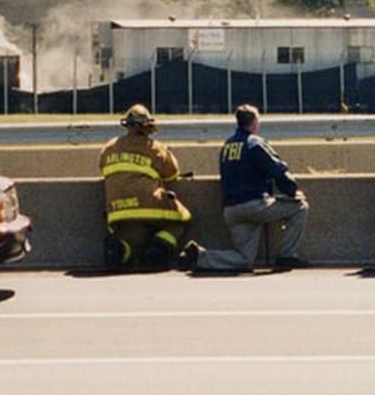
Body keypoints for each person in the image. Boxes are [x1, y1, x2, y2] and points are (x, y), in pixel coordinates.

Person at [181, 104, 310, 273]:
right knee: (300, 207)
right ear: (255, 122)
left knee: (244, 260)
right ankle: (286, 256)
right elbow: (277, 170)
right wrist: (292, 191)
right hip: (255, 205)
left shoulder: (227, 146)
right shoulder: (254, 143)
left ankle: (200, 256)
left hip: (231, 211)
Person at [100, 103, 192, 270]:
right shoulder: (155, 148)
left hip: (116, 211)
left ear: (126, 125)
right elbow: (172, 174)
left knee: (130, 234)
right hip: (149, 205)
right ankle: (158, 249)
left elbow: (104, 170)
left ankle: (122, 251)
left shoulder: (109, 147)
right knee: (182, 219)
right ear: (148, 126)